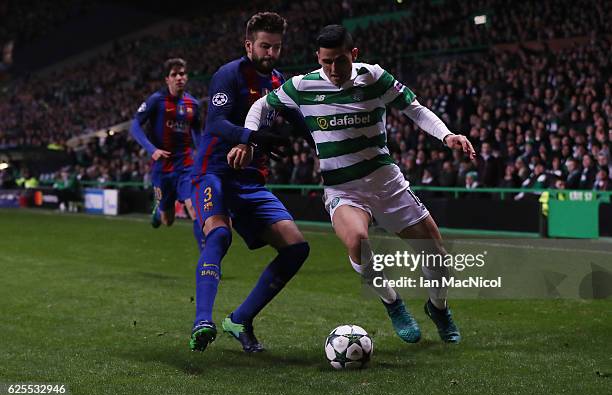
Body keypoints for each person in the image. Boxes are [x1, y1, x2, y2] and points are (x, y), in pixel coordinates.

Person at [244, 25, 477, 343]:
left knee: (437, 259)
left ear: (353, 54)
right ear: (318, 57)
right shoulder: (302, 86)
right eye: (326, 62)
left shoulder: (374, 77)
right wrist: (249, 136)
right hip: (344, 189)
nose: (333, 70)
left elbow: (414, 109)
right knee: (357, 241)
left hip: (388, 185)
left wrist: (447, 135)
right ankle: (393, 303)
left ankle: (438, 307)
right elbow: (261, 105)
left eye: (340, 61)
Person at [189, 12, 310, 353]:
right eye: (264, 46)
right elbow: (215, 123)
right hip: (213, 172)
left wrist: (321, 142)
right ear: (249, 45)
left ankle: (240, 318)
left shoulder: (277, 81)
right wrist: (252, 136)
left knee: (296, 248)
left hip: (251, 181)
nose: (271, 53)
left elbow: (295, 119)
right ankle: (202, 320)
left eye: (276, 47)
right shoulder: (229, 75)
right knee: (220, 235)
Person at [129, 58, 204, 251]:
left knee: (195, 210)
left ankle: (208, 259)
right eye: (174, 74)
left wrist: (203, 153)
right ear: (167, 79)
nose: (179, 77)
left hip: (186, 166)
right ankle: (158, 210)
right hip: (161, 170)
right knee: (167, 220)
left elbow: (197, 132)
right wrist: (152, 150)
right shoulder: (156, 100)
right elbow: (135, 125)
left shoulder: (193, 104)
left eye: (182, 74)